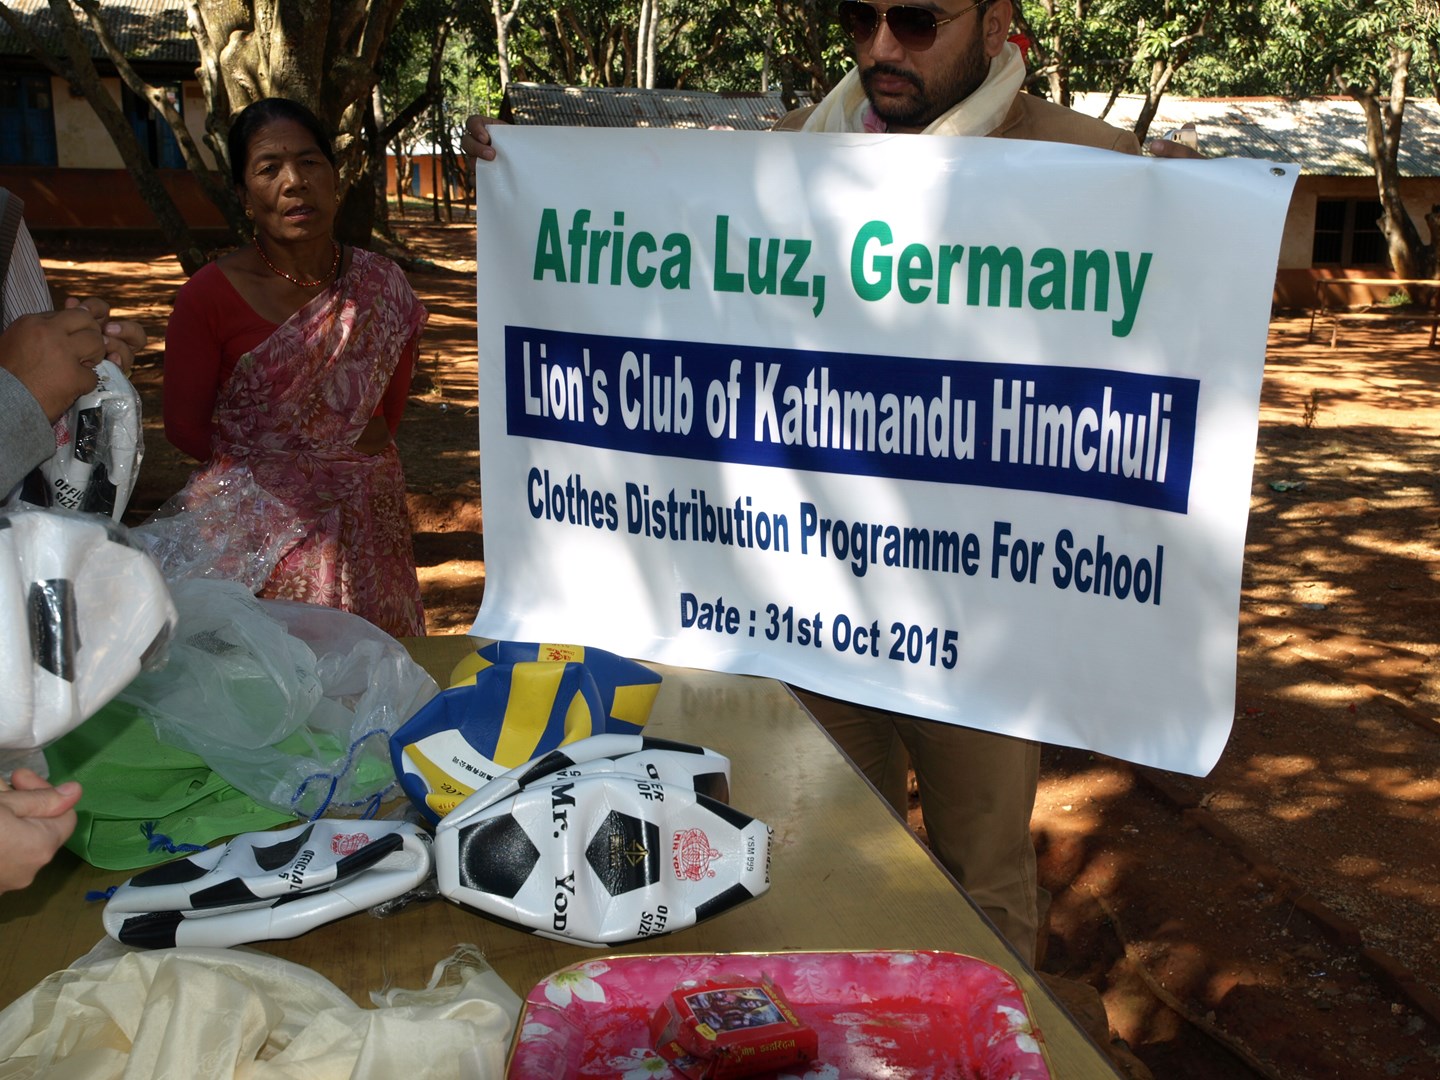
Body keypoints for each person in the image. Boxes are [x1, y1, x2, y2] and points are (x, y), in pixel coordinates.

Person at [460, 1, 1199, 964]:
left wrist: (1198, 213)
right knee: (837, 853)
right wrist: (521, 174)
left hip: (978, 616)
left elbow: (1177, 331)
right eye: (861, 16)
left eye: (917, 21)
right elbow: (663, 248)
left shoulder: (1085, 162)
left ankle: (992, 1033)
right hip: (813, 606)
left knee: (983, 883)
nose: (883, 46)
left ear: (996, 23)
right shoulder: (788, 151)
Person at [163, 98, 428, 638]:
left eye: (309, 162)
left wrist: (336, 466)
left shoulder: (381, 286)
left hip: (369, 529)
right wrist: (289, 473)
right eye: (268, 169)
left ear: (335, 178)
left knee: (380, 669)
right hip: (261, 540)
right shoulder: (207, 297)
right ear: (244, 196)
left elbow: (387, 415)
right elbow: (185, 428)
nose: (294, 182)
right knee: (279, 674)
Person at [1, 190, 147, 495]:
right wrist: (18, 401)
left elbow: (31, 364)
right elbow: (24, 388)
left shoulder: (5, 215)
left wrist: (86, 369)